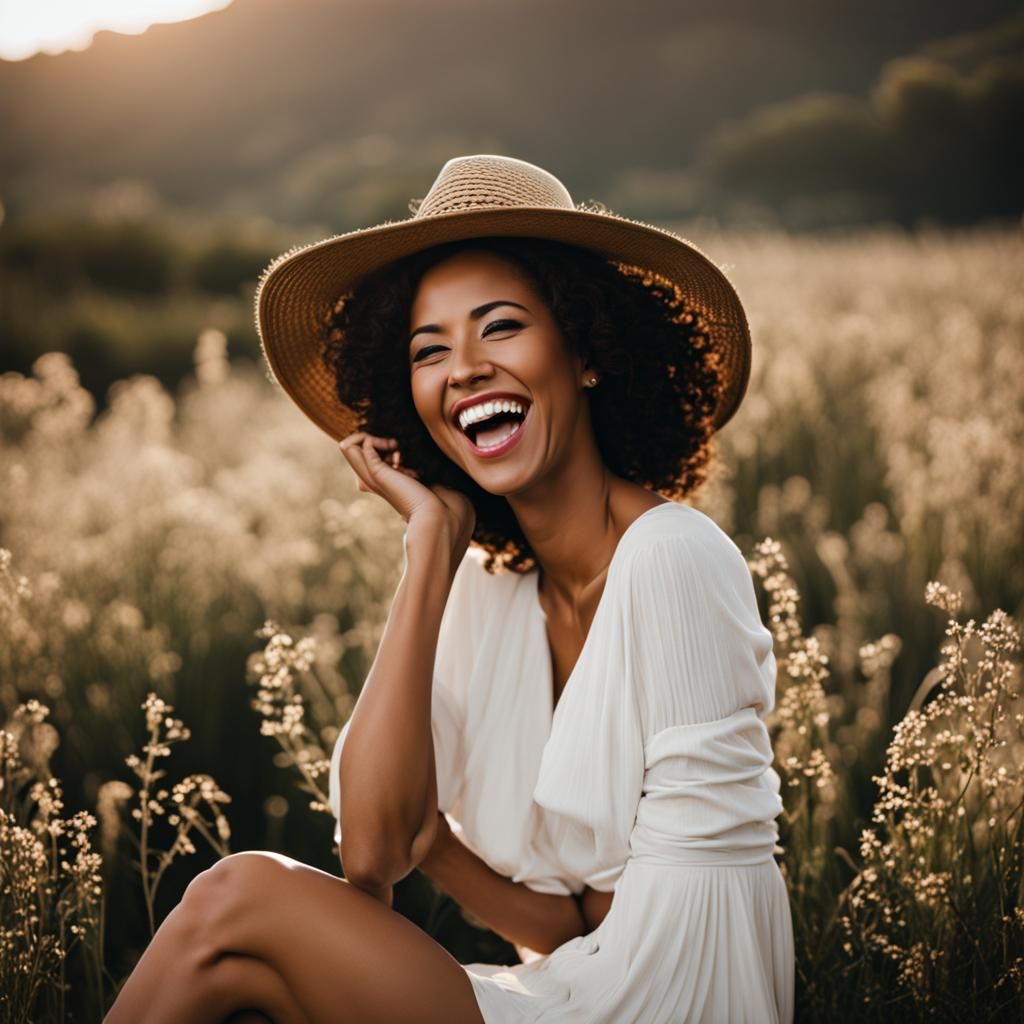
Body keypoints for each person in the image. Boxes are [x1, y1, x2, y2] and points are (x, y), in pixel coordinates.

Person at [104, 154, 794, 1023]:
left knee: (232, 900)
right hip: (581, 977)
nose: (463, 368)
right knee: (246, 982)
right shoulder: (489, 588)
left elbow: (700, 919)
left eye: (499, 327)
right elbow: (376, 858)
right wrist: (428, 550)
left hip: (674, 999)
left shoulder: (671, 557)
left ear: (585, 351)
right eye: (429, 350)